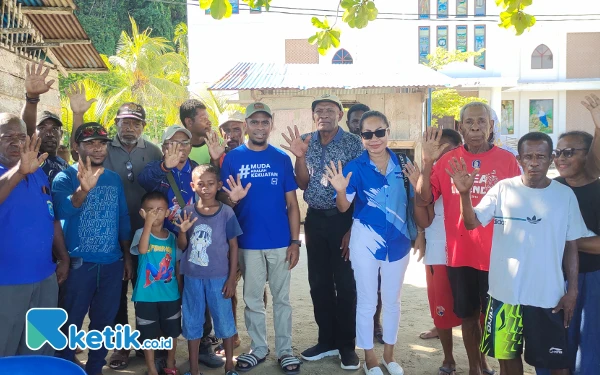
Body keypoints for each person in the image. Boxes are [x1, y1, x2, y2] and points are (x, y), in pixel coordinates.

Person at [449, 131, 586, 375]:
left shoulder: (564, 196)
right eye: (528, 157)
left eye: (541, 156)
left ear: (551, 158)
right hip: (504, 295)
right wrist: (464, 194)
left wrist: (572, 290)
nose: (534, 162)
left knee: (556, 365)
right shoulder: (502, 189)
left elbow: (571, 245)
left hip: (547, 297)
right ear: (519, 160)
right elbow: (470, 223)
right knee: (508, 362)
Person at [416, 102, 521, 375]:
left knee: (498, 318)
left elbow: (519, 204)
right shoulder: (447, 161)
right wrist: (428, 163)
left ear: (491, 126)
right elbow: (424, 198)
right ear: (460, 127)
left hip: (497, 256)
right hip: (460, 254)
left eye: (481, 121)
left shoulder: (507, 161)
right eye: (470, 122)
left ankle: (502, 367)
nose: (475, 127)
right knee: (468, 316)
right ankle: (475, 367)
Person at [67, 84, 163, 370]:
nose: (129, 127)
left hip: (147, 234)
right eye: (124, 122)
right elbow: (80, 148)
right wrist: (78, 115)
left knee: (146, 293)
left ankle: (150, 346)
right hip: (113, 238)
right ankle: (120, 347)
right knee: (116, 298)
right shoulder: (103, 148)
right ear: (116, 125)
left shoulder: (154, 150)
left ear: (143, 125)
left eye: (135, 122)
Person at [326, 111, 413, 375]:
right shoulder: (354, 167)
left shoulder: (404, 164)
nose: (374, 139)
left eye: (379, 132)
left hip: (398, 243)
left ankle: (389, 355)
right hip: (365, 242)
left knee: (393, 300)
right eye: (367, 134)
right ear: (361, 137)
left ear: (388, 132)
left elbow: (415, 201)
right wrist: (341, 190)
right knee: (366, 301)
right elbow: (343, 208)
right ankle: (370, 357)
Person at [281, 94, 363, 370]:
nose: (324, 115)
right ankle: (326, 339)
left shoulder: (354, 143)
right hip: (315, 220)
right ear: (313, 115)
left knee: (346, 285)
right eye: (319, 111)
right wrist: (300, 157)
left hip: (344, 220)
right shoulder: (306, 140)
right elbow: (303, 183)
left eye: (330, 110)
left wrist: (353, 228)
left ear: (340, 115)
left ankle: (347, 346)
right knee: (318, 283)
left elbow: (361, 188)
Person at [219, 102, 302, 374]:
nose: (259, 127)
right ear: (246, 125)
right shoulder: (232, 158)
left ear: (271, 125)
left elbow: (292, 204)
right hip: (248, 242)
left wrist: (295, 241)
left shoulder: (281, 158)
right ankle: (259, 348)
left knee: (282, 300)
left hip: (280, 242)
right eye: (254, 122)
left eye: (264, 122)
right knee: (253, 299)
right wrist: (231, 199)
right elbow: (223, 200)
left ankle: (286, 351)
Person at [53, 122, 132, 375]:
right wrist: (82, 190)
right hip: (78, 263)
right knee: (71, 322)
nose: (98, 148)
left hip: (111, 263)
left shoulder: (113, 179)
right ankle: (67, 367)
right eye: (90, 144)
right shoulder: (64, 177)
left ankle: (95, 368)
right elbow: (62, 211)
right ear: (76, 147)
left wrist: (127, 256)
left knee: (103, 322)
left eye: (102, 143)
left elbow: (122, 218)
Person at [536, 94, 600, 375]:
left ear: (591, 153)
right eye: (558, 152)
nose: (561, 158)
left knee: (588, 347)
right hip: (553, 279)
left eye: (570, 151)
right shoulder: (550, 189)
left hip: (593, 281)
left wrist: (560, 240)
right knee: (553, 348)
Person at [0, 114, 69, 356]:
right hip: (6, 283)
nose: (15, 142)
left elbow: (51, 218)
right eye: (7, 136)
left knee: (39, 350)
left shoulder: (38, 173)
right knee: (5, 352)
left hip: (44, 279)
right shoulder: (14, 171)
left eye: (20, 137)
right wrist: (19, 170)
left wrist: (63, 257)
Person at [407, 129, 464, 375]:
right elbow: (424, 216)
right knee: (441, 306)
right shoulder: (428, 178)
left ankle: (479, 359)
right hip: (439, 253)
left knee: (476, 310)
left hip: (469, 254)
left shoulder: (470, 175)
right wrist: (419, 183)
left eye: (447, 150)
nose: (442, 156)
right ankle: (449, 357)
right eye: (435, 151)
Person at [176, 164, 242, 375]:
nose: (205, 188)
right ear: (193, 186)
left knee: (224, 321)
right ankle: (194, 369)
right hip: (193, 278)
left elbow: (233, 246)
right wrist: (183, 232)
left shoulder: (226, 213)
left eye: (211, 184)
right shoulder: (186, 212)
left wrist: (232, 279)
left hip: (219, 278)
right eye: (201, 184)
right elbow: (183, 247)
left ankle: (229, 366)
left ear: (219, 185)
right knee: (193, 321)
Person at [130, 191, 181, 375]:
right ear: (142, 213)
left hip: (170, 294)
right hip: (146, 296)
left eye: (160, 210)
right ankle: (151, 367)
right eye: (150, 210)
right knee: (148, 334)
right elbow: (143, 250)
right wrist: (148, 225)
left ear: (168, 213)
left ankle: (170, 362)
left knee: (172, 331)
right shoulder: (140, 234)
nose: (155, 213)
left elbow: (176, 266)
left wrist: (180, 291)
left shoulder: (172, 238)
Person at [139, 125, 197, 234]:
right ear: (163, 148)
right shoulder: (156, 168)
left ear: (190, 147)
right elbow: (144, 180)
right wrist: (165, 167)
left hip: (191, 236)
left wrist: (215, 160)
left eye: (184, 143)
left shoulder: (197, 170)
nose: (180, 147)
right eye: (173, 143)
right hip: (164, 238)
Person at [21, 62, 68, 185]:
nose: (49, 134)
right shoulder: (30, 158)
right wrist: (32, 97)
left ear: (61, 134)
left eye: (54, 129)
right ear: (34, 133)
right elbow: (27, 128)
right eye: (42, 128)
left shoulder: (63, 164)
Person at [180, 99, 224, 166]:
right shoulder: (179, 150)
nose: (209, 122)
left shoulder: (219, 143)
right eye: (204, 119)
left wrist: (215, 160)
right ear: (189, 122)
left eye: (208, 118)